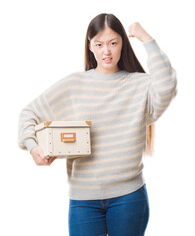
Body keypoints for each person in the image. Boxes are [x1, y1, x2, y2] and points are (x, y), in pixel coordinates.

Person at [17, 13, 178, 236]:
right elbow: (29, 113)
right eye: (99, 44)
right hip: (83, 200)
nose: (107, 51)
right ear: (90, 46)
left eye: (113, 43)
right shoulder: (75, 84)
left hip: (129, 197)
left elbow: (167, 85)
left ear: (123, 43)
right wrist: (32, 146)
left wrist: (146, 39)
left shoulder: (138, 85)